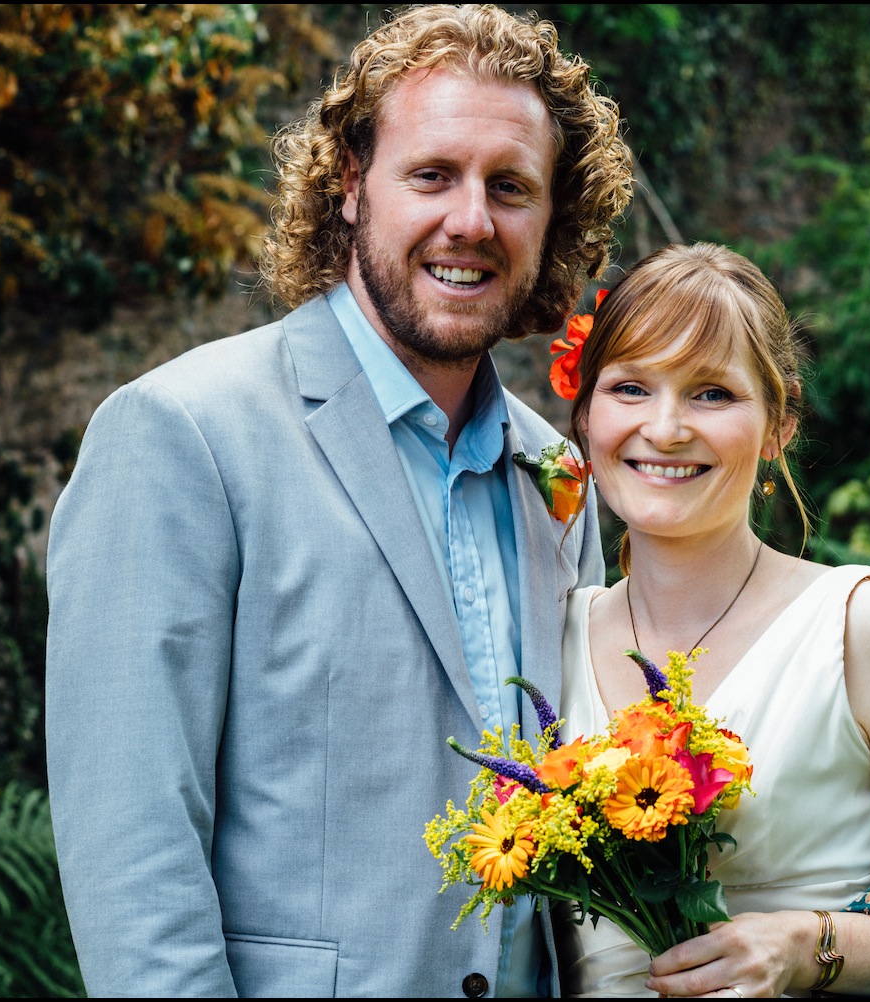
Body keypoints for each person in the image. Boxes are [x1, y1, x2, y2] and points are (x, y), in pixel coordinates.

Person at [44, 5, 632, 997]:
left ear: (552, 219)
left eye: (511, 187)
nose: (471, 222)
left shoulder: (559, 476)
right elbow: (133, 853)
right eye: (432, 175)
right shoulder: (180, 436)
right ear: (352, 186)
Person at [551, 243, 870, 997]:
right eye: (631, 387)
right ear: (587, 414)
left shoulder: (861, 630)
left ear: (778, 425)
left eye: (711, 394)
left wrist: (811, 945)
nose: (664, 428)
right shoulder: (547, 634)